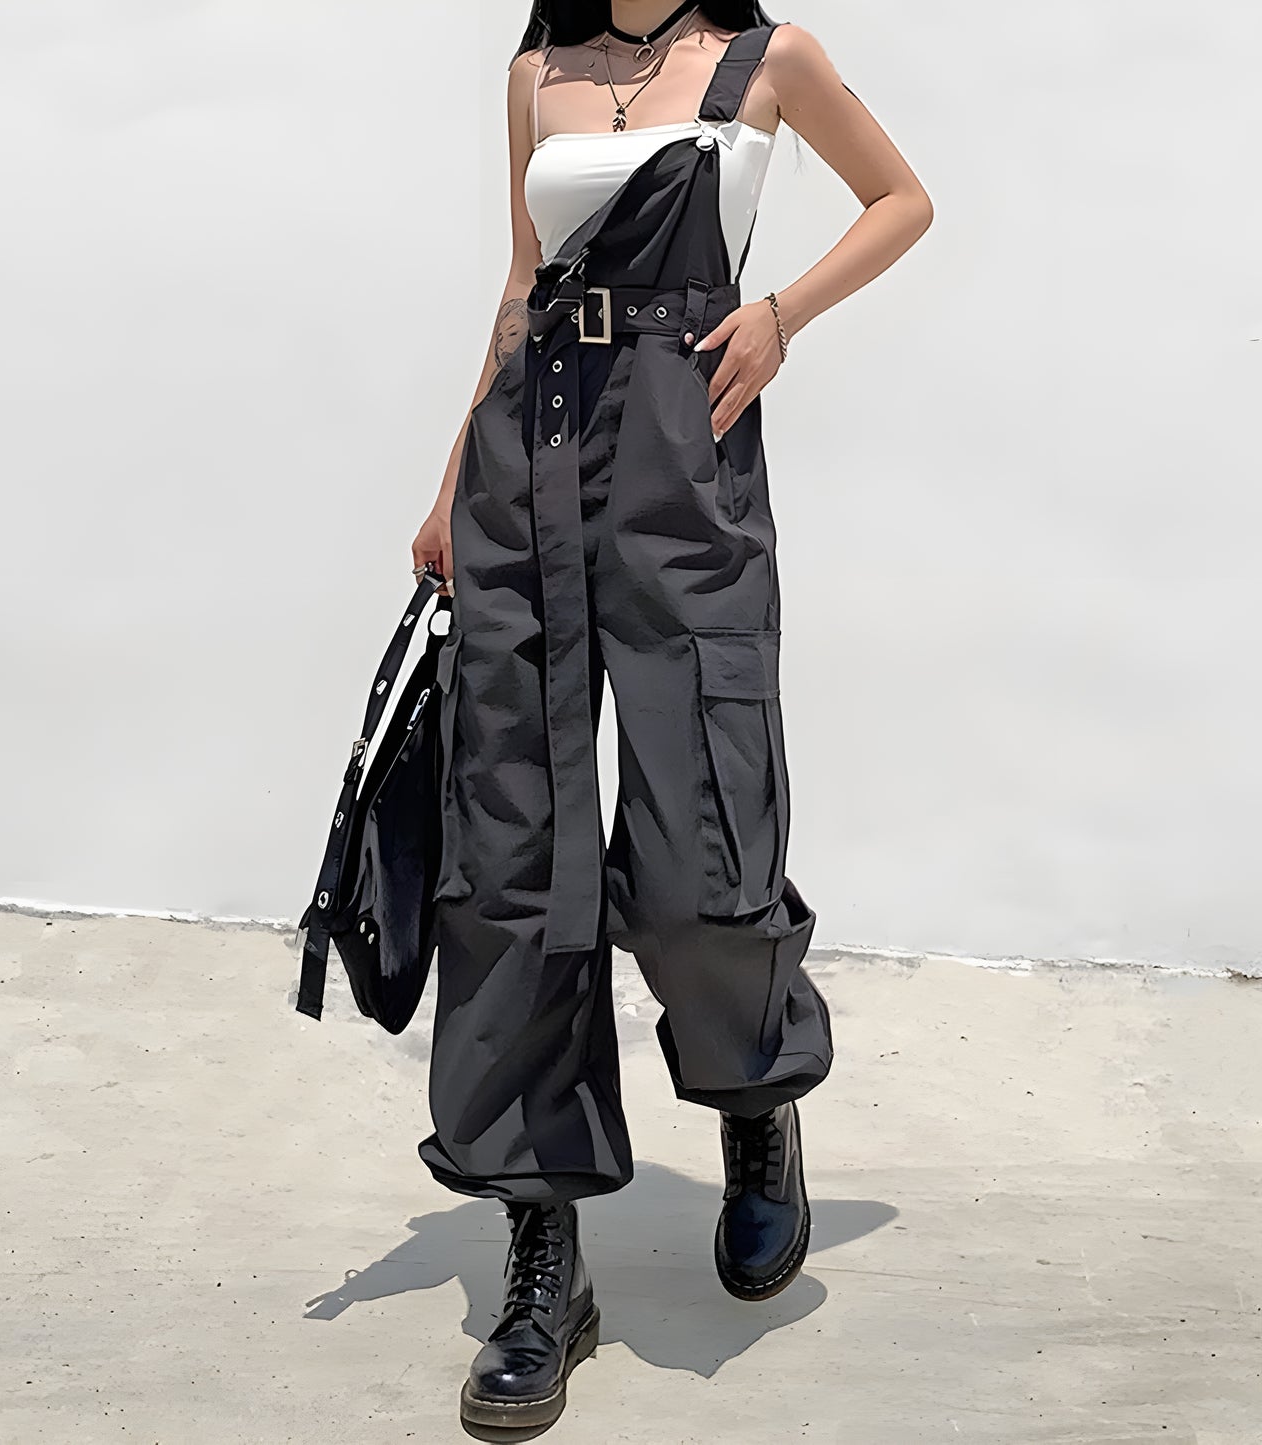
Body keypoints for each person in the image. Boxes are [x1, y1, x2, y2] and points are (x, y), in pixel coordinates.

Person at [408, 1, 932, 1428]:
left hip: (677, 448)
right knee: (513, 851)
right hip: (529, 452)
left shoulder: (775, 63)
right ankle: (542, 1244)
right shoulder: (534, 74)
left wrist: (780, 315)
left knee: (704, 830)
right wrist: (458, 476)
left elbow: (903, 200)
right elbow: (520, 287)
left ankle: (755, 1099)